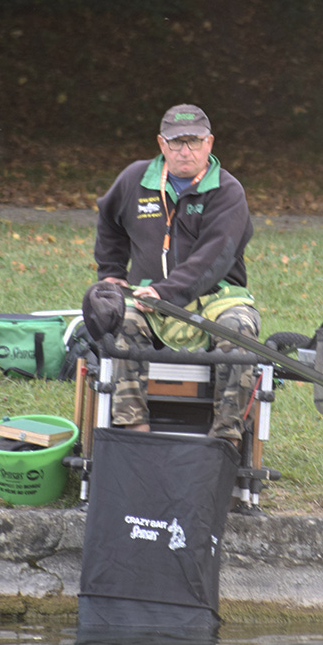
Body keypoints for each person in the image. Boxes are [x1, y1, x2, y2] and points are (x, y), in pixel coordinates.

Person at [94, 103, 260, 443]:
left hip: (217, 299)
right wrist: (111, 272)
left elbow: (215, 258)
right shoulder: (134, 180)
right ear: (161, 144)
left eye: (194, 142)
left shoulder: (228, 192)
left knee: (240, 333)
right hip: (147, 298)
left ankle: (225, 441)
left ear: (209, 144)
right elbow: (108, 219)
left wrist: (166, 293)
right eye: (176, 142)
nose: (185, 151)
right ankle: (134, 434)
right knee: (118, 323)